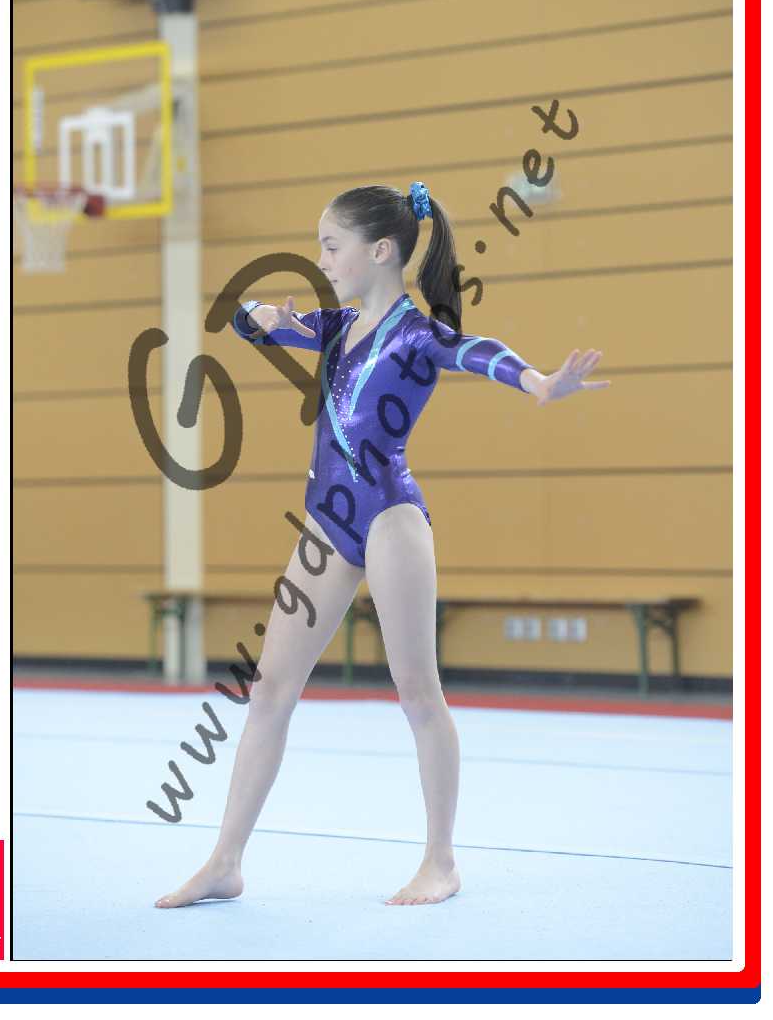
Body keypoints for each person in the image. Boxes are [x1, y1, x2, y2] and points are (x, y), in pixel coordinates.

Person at [155, 182, 609, 909]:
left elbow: (477, 351)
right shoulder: (333, 326)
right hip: (327, 522)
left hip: (391, 519)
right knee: (269, 689)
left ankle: (441, 862)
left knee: (418, 692)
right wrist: (261, 316)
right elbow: (243, 322)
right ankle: (225, 862)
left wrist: (537, 382)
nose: (321, 259)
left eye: (331, 246)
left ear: (381, 251)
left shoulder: (418, 336)